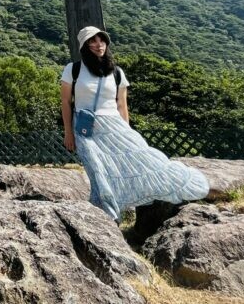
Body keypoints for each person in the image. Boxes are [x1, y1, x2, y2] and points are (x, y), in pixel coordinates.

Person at [60, 26, 209, 221]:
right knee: (97, 170)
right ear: (84, 46)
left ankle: (108, 214)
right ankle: (107, 215)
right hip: (86, 129)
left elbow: (122, 105)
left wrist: (128, 132)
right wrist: (68, 133)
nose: (99, 44)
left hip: (114, 126)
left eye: (102, 40)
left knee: (140, 162)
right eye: (93, 41)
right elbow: (65, 102)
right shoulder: (73, 69)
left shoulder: (116, 72)